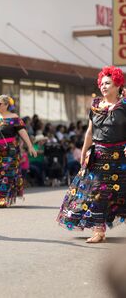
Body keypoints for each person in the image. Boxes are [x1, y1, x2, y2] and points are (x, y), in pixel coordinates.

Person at [57, 66, 126, 243]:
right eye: (102, 83)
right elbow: (89, 131)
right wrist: (84, 151)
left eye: (108, 83)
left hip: (121, 157)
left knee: (120, 193)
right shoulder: (96, 105)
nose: (103, 86)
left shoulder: (124, 105)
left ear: (118, 84)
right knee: (96, 192)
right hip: (98, 155)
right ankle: (98, 231)